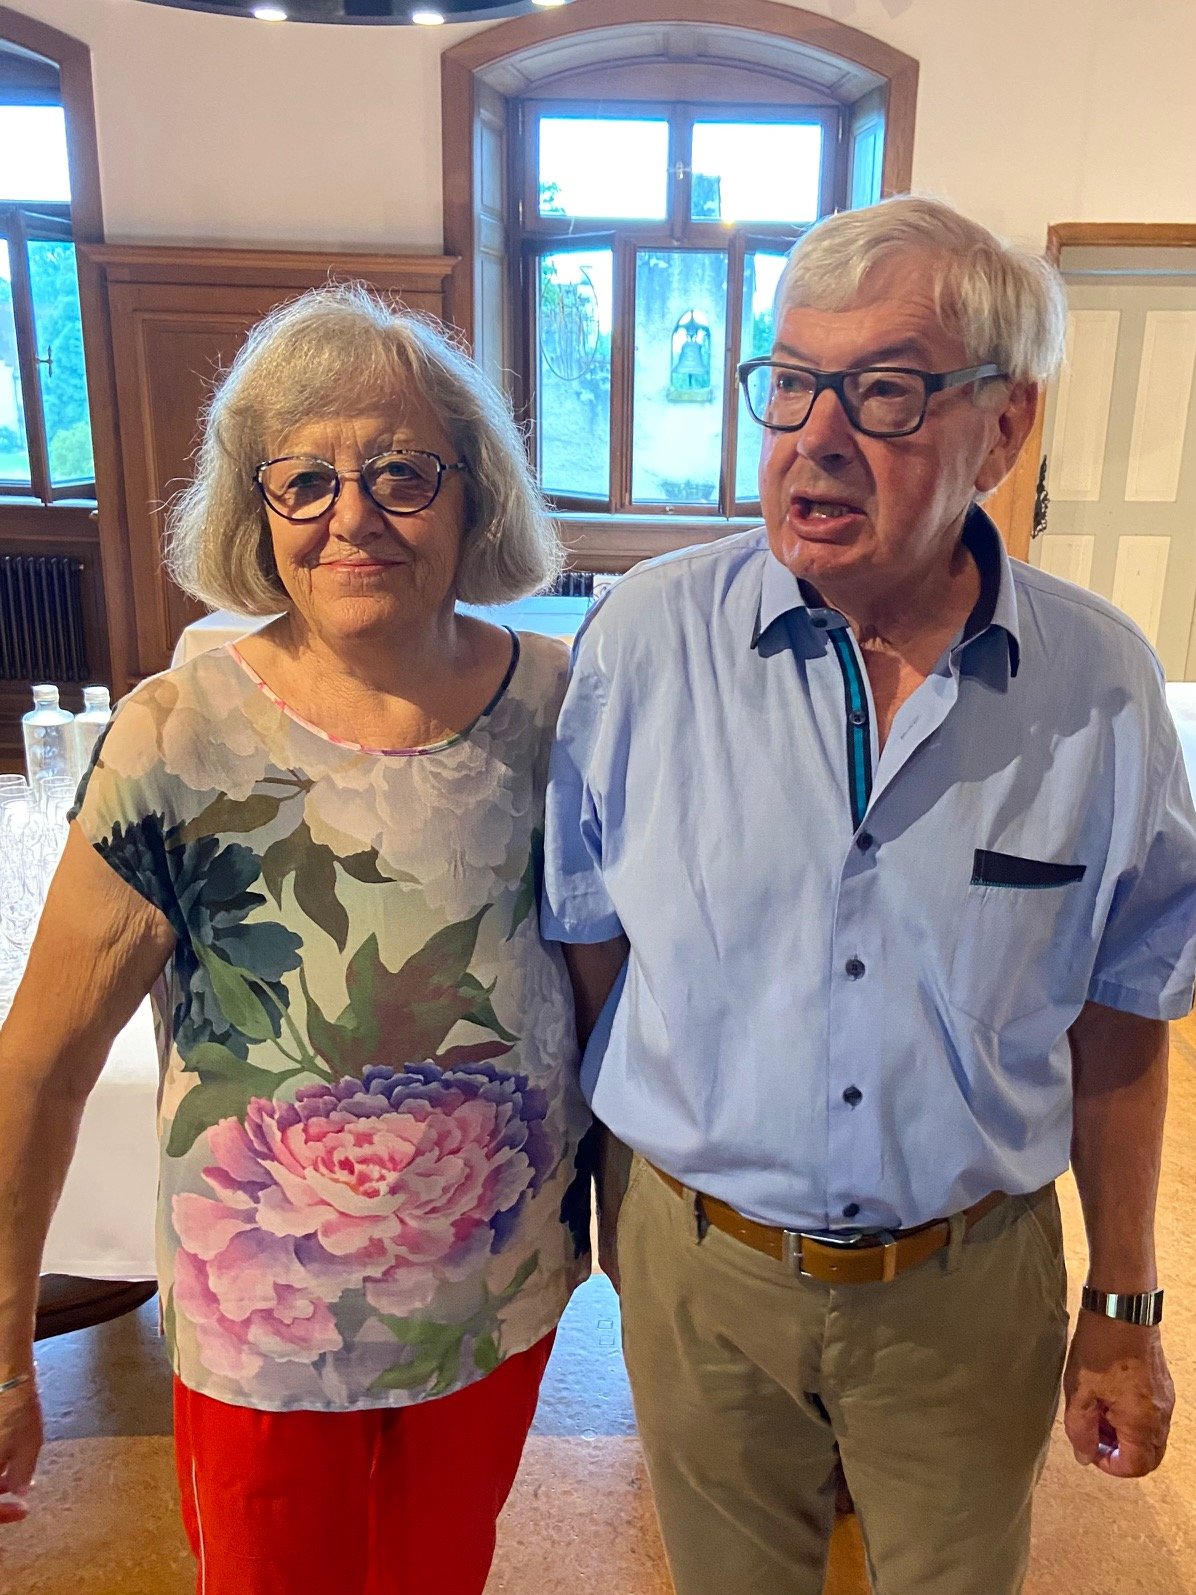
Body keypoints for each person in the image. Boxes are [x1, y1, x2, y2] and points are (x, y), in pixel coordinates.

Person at [543, 196, 1196, 1595]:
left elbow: (1126, 1013)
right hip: (700, 1270)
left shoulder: (1101, 687)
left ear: (1004, 427)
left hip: (968, 1287)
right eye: (788, 383)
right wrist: (629, 1202)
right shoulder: (644, 644)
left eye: (885, 391)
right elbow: (593, 948)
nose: (816, 436)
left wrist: (1125, 1301)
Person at [0, 285, 592, 1595]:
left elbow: (603, 995)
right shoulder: (177, 733)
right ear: (255, 508)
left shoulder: (559, 705)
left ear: (474, 493)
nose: (352, 516)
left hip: (493, 1299)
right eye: (305, 479)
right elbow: (38, 1064)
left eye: (401, 471)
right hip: (265, 1325)